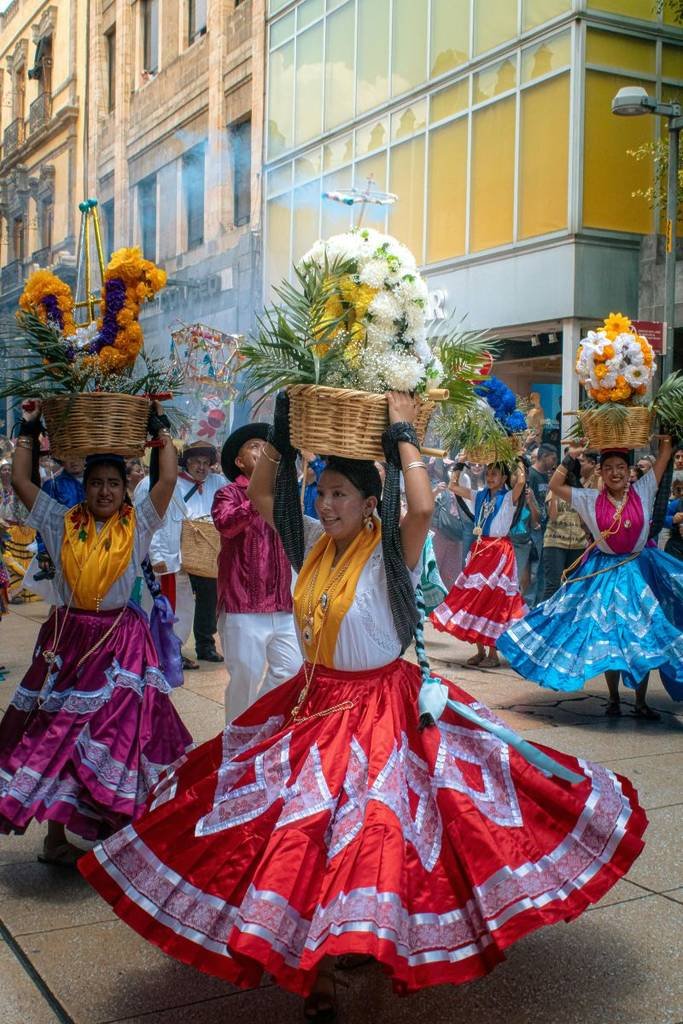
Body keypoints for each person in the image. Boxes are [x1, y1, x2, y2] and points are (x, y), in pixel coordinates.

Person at [80, 391, 647, 1021]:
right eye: (321, 494)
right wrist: (284, 429)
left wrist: (402, 429)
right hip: (311, 707)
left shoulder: (387, 556)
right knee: (296, 838)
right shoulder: (312, 546)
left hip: (382, 711)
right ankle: (326, 961)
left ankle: (353, 973)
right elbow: (266, 494)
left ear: (370, 502)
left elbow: (424, 505)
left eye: (339, 495)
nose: (325, 505)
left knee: (370, 838)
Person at [0, 401, 192, 865]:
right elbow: (23, 481)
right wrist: (29, 427)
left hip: (121, 644)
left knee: (122, 732)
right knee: (59, 734)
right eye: (96, 483)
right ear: (83, 488)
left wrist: (157, 428)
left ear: (126, 488)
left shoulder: (139, 522)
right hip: (66, 642)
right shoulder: (59, 521)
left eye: (113, 483)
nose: (104, 491)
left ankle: (119, 827)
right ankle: (55, 838)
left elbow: (166, 480)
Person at [498, 439, 683, 717]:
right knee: (608, 636)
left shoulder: (643, 490)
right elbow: (555, 486)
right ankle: (613, 699)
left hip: (638, 572)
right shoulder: (589, 499)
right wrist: (569, 458)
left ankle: (641, 701)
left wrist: (667, 442)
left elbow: (663, 457)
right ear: (601, 471)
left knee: (640, 635)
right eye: (608, 468)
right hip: (604, 575)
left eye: (621, 467)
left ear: (628, 469)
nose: (616, 473)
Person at [211, 423, 302, 722]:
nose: (263, 451)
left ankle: (253, 725)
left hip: (283, 606)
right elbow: (225, 524)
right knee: (244, 679)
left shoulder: (286, 496)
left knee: (290, 672)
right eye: (254, 447)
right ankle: (236, 743)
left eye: (267, 447)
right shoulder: (228, 494)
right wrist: (257, 496)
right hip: (243, 607)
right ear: (239, 462)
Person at [135, 440, 225, 668]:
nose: (202, 468)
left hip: (204, 555)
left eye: (206, 463)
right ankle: (156, 650)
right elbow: (149, 524)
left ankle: (177, 649)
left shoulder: (218, 482)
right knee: (162, 603)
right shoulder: (152, 484)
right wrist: (157, 556)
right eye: (197, 462)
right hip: (168, 558)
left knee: (189, 605)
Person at [431, 459, 528, 668]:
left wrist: (518, 458)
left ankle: (493, 653)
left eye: (495, 474)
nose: (490, 476)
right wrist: (459, 465)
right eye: (489, 472)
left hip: (500, 553)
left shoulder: (509, 497)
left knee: (496, 601)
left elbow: (520, 482)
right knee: (474, 598)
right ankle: (480, 650)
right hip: (480, 550)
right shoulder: (479, 496)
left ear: (504, 478)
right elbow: (453, 487)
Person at [542, 456, 589, 601]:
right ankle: (544, 618)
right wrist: (556, 490)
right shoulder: (553, 492)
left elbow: (583, 521)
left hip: (577, 544)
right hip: (555, 543)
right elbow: (553, 515)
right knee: (553, 585)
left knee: (573, 585)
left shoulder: (578, 493)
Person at [526, 443, 558, 606]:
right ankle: (529, 605)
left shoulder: (548, 476)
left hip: (546, 529)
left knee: (541, 571)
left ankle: (538, 605)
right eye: (553, 458)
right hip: (533, 530)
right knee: (532, 570)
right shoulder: (530, 475)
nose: (555, 462)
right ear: (544, 457)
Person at [663, 472, 683, 562]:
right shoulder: (676, 504)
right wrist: (672, 520)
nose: (682, 493)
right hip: (676, 548)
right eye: (679, 490)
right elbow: (658, 520)